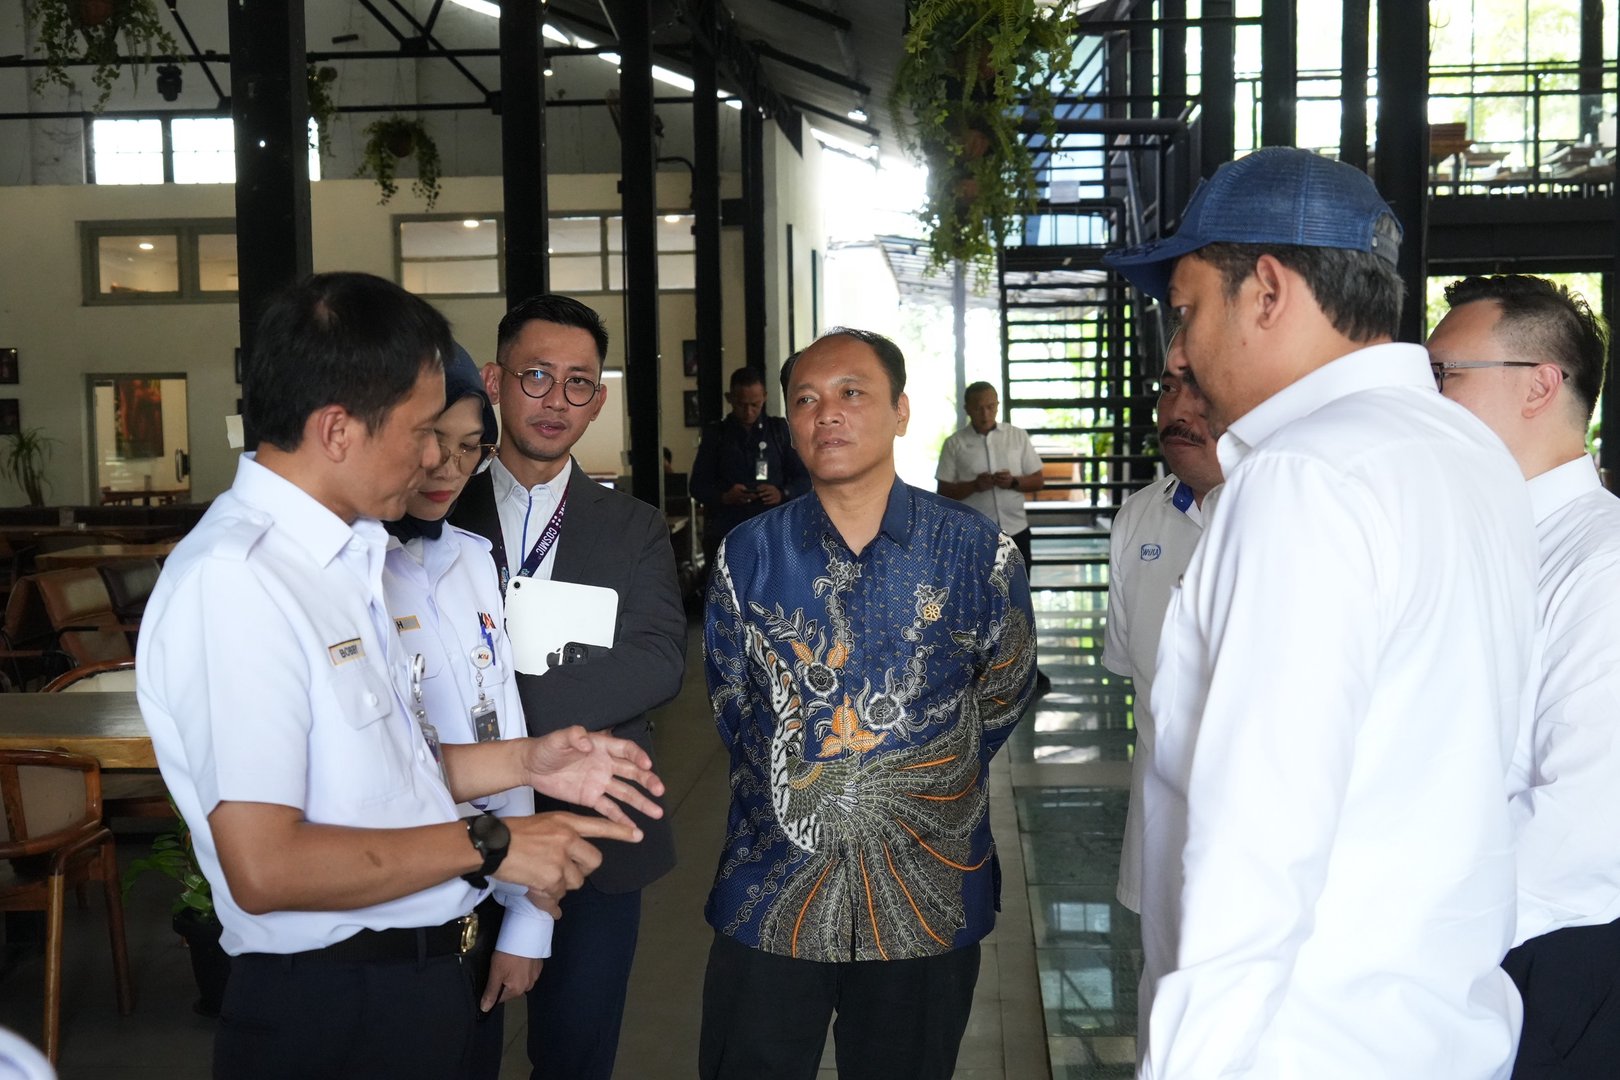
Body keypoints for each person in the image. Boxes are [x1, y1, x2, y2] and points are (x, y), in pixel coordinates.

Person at [135, 272, 665, 1080]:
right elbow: (265, 868)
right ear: (338, 429)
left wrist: (526, 761)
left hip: (415, 983)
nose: (433, 460)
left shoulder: (346, 564)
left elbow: (385, 773)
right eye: (421, 431)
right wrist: (493, 843)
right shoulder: (238, 581)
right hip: (338, 1002)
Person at [1104, 148, 1538, 1078]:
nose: (1176, 353)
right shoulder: (1471, 454)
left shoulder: (1304, 477)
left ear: (1266, 290)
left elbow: (1256, 843)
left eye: (1186, 310)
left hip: (1299, 1043)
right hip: (1439, 1029)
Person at [700, 328, 1037, 1080]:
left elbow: (1002, 694)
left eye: (851, 393)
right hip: (772, 889)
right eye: (806, 400)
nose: (827, 413)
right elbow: (732, 701)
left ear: (901, 412)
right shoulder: (748, 555)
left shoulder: (977, 554)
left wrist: (911, 779)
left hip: (925, 895)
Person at [450, 293, 685, 1080]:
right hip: (457, 831)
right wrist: (520, 747)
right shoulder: (436, 512)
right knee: (456, 1046)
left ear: (598, 400)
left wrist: (497, 720)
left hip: (596, 831)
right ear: (495, 380)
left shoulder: (634, 527)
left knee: (576, 1053)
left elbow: (656, 660)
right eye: (537, 376)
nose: (556, 400)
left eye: (578, 382)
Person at [1427, 274, 1620, 1079]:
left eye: (1445, 374)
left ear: (1541, 385)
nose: (1426, 398)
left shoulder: (1602, 561)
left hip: (1541, 950)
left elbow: (1585, 821)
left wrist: (1429, 929)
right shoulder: (1474, 537)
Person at [380, 343, 544, 1079]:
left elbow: (504, 724)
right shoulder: (351, 574)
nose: (447, 467)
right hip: (387, 913)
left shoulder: (474, 559)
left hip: (479, 903)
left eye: (470, 447)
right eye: (433, 440)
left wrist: (528, 918)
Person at [1101, 327, 1222, 1045]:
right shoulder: (1139, 517)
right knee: (1168, 1022)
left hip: (1267, 855)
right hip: (1162, 837)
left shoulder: (1292, 517)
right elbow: (1136, 677)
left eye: (1198, 389)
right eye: (1168, 389)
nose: (1177, 410)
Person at [691, 364, 811, 572]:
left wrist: (782, 493)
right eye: (741, 404)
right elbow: (697, 486)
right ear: (729, 398)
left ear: (764, 397)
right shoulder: (716, 435)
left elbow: (805, 479)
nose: (748, 412)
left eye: (755, 404)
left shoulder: (779, 431)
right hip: (728, 532)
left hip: (773, 533)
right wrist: (725, 496)